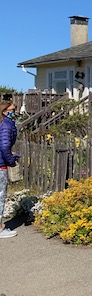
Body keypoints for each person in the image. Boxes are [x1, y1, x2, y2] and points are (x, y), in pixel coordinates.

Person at [0, 101, 20, 238]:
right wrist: (11, 160)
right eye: (12, 109)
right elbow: (4, 146)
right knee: (0, 196)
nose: (14, 112)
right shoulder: (6, 125)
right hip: (0, 165)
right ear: (4, 111)